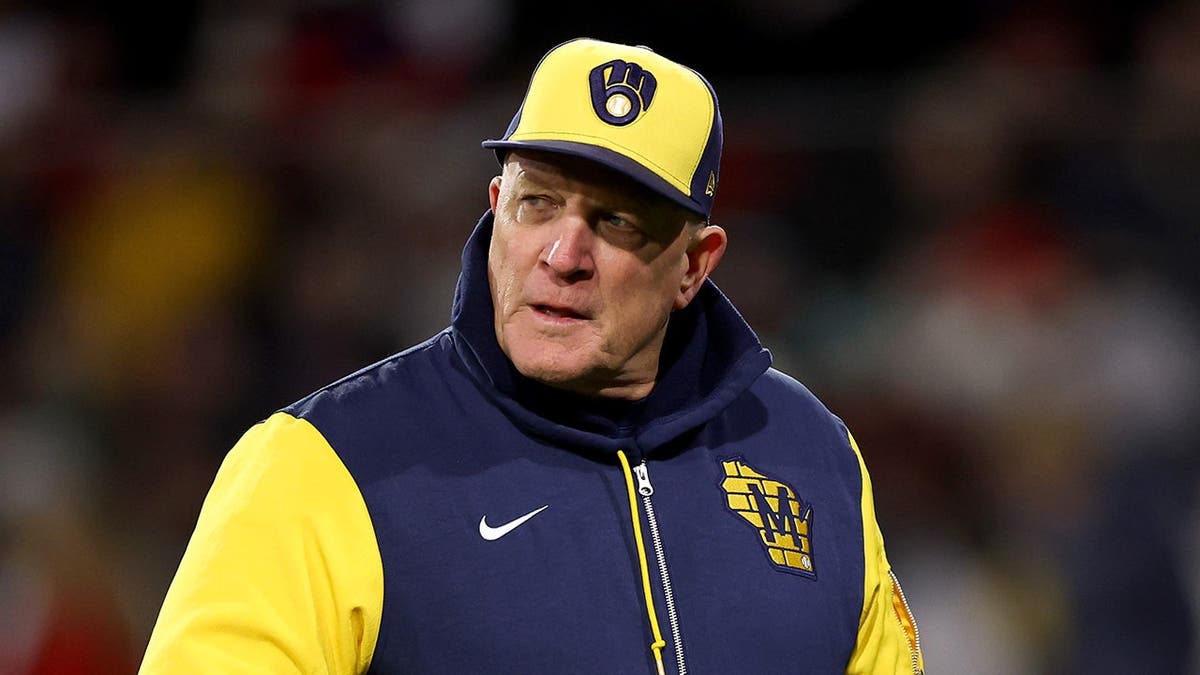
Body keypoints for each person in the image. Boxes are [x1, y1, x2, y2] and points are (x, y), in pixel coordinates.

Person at [140, 38, 924, 674]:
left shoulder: (808, 454)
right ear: (495, 207)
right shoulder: (324, 465)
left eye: (616, 220)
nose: (563, 253)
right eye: (537, 202)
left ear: (695, 264)